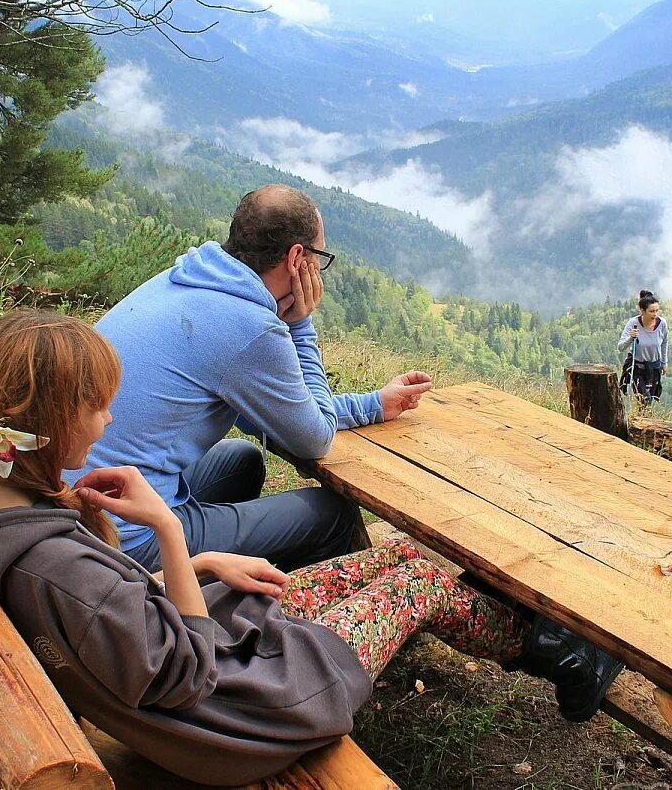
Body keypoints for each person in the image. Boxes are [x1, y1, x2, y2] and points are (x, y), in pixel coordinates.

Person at [0, 310, 625, 785]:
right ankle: (568, 663)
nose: (109, 417)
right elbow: (184, 672)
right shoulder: (59, 567)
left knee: (400, 559)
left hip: (215, 666)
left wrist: (200, 564)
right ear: (54, 416)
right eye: (98, 405)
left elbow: (118, 614)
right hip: (239, 714)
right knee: (420, 584)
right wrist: (171, 533)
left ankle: (546, 640)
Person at [73, 185, 432, 573]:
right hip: (122, 538)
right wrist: (300, 324)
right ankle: (283, 613)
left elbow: (264, 412)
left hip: (82, 502)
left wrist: (374, 404)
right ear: (297, 258)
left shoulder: (189, 277)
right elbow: (315, 439)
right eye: (319, 257)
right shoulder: (249, 327)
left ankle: (219, 572)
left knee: (242, 460)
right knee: (333, 514)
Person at [618, 290, 669, 404]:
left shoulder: (662, 323)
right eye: (651, 311)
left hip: (654, 368)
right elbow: (620, 347)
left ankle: (644, 419)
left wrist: (664, 363)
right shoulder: (633, 323)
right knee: (645, 400)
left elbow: (665, 342)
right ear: (642, 311)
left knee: (650, 400)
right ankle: (642, 419)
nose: (655, 314)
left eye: (656, 311)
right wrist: (631, 338)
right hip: (637, 368)